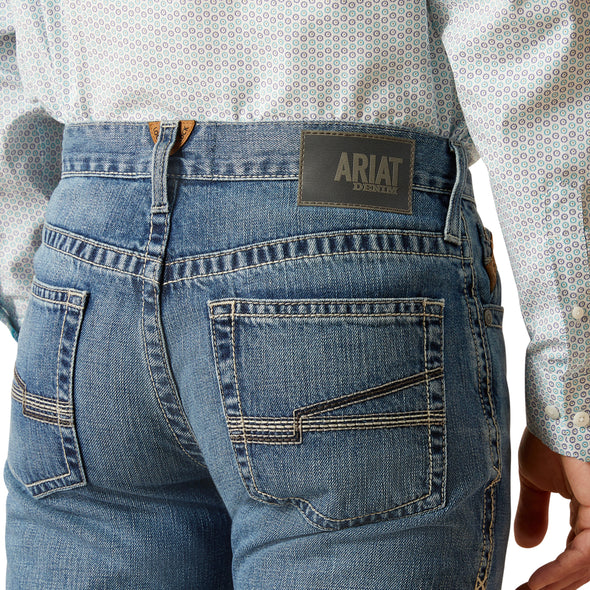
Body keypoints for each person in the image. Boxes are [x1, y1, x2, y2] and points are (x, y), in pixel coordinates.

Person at [1, 1, 589, 588]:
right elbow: (520, 32)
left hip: (85, 273)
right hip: (349, 230)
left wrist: (52, 313)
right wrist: (575, 401)